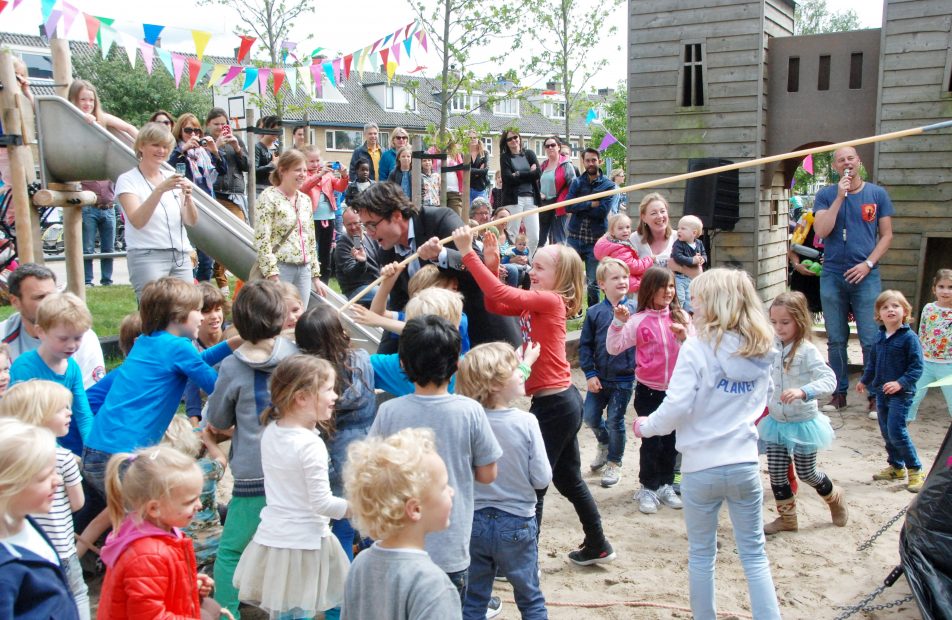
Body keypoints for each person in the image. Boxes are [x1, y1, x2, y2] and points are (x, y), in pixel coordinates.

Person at [450, 225, 617, 566]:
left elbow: (504, 296)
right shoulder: (538, 301)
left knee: (532, 484)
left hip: (555, 404)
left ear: (562, 277)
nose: (530, 271)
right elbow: (495, 303)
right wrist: (492, 264)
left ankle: (524, 558)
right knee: (568, 478)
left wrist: (469, 254)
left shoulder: (552, 300)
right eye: (533, 266)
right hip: (560, 400)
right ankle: (598, 544)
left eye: (540, 268)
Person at [633, 268, 781, 620]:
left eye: (696, 298)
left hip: (701, 465)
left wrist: (646, 426)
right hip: (744, 461)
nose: (690, 304)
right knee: (754, 553)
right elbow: (767, 399)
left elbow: (676, 405)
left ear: (715, 304)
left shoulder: (698, 347)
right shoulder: (762, 346)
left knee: (702, 554)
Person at [369, 315, 502, 605]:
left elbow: (371, 471)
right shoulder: (470, 412)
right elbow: (488, 473)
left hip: (397, 542)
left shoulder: (389, 412)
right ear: (456, 364)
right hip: (450, 544)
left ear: (402, 364)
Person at [205, 280, 298, 618]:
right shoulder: (294, 355)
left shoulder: (232, 365)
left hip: (250, 474)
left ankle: (227, 611)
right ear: (279, 317)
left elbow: (216, 417)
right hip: (291, 469)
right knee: (290, 548)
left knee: (230, 550)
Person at [233, 355, 350, 618]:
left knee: (285, 612)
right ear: (302, 397)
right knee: (302, 612)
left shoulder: (272, 431)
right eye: (329, 389)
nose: (335, 396)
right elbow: (322, 503)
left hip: (275, 540)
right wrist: (363, 507)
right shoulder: (310, 444)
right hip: (304, 544)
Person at [350, 182, 520, 353]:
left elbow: (480, 269)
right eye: (365, 226)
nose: (369, 233)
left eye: (372, 225)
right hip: (443, 348)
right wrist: (381, 364)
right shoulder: (386, 253)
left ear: (396, 216)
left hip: (486, 332)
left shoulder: (439, 219)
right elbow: (399, 308)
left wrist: (441, 255)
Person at [456, 342, 551, 620]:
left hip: (475, 522)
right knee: (530, 598)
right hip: (517, 521)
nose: (522, 373)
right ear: (495, 384)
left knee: (473, 600)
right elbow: (542, 477)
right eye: (515, 370)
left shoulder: (467, 421)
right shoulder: (526, 421)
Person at [341, 429, 461, 620]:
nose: (452, 491)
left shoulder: (361, 564)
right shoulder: (434, 585)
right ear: (415, 509)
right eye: (444, 487)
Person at [812, 146, 893, 415]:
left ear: (859, 162)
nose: (846, 163)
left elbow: (886, 236)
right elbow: (822, 230)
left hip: (866, 274)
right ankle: (839, 393)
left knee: (870, 339)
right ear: (835, 167)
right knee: (836, 339)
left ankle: (873, 394)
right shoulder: (825, 194)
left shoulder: (877, 194)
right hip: (834, 274)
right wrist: (839, 197)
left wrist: (868, 264)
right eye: (840, 160)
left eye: (850, 158)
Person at [0, 381, 88, 619]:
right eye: (43, 477)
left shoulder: (27, 524)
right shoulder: (6, 571)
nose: (57, 482)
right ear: (8, 485)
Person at [295, 305, 376, 565]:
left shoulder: (312, 375)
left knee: (341, 514)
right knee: (363, 511)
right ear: (338, 333)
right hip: (365, 443)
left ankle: (341, 581)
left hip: (333, 445)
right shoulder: (361, 359)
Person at [97, 446, 218, 618]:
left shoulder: (163, 532)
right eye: (189, 501)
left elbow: (159, 583)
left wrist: (189, 584)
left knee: (211, 608)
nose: (199, 505)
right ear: (154, 508)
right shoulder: (147, 554)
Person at [760, 292, 846, 534]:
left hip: (803, 422)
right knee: (776, 473)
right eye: (774, 322)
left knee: (807, 472)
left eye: (785, 322)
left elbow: (829, 379)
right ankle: (787, 519)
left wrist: (803, 391)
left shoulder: (807, 350)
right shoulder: (770, 347)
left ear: (799, 320)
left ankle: (834, 496)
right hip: (776, 421)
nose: (779, 328)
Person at [608, 267, 689, 514]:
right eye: (662, 287)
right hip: (648, 391)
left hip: (676, 390)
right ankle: (647, 486)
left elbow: (695, 351)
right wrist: (618, 323)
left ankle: (665, 484)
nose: (668, 292)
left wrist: (685, 336)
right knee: (651, 440)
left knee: (672, 441)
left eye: (672, 287)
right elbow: (613, 347)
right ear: (649, 290)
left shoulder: (681, 317)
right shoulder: (638, 320)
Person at [116, 122, 198, 300]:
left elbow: (191, 221)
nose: (161, 150)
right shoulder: (127, 180)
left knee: (188, 308)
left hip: (180, 254)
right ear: (141, 146)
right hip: (147, 255)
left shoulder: (173, 177)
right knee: (155, 310)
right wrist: (159, 190)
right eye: (155, 145)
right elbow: (137, 221)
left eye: (165, 146)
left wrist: (189, 198)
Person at [9, 292, 94, 457]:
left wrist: (91, 449)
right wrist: (62, 454)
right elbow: (24, 422)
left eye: (77, 338)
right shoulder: (25, 368)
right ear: (40, 332)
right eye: (63, 338)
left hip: (54, 438)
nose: (71, 345)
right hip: (24, 445)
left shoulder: (72, 367)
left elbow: (83, 413)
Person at [858, 290, 925, 493]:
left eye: (895, 306)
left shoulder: (909, 338)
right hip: (881, 393)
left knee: (897, 431)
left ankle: (915, 469)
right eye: (885, 307)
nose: (890, 310)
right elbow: (873, 363)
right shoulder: (879, 337)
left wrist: (900, 383)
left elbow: (917, 367)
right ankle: (896, 467)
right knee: (887, 432)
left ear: (905, 311)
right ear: (879, 314)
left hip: (901, 395)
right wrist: (864, 380)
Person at [0, 263, 106, 389]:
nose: (49, 303)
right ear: (15, 301)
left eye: (53, 296)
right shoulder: (3, 334)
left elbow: (92, 396)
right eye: (40, 297)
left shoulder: (82, 336)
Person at [580, 258, 636, 488]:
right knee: (590, 416)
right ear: (602, 284)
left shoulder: (635, 309)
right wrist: (590, 373)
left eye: (624, 276)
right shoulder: (594, 313)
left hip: (624, 377)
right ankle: (604, 443)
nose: (622, 281)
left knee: (616, 420)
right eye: (615, 278)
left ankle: (615, 462)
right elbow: (585, 345)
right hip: (599, 377)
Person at [68, 80, 120, 288]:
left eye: (91, 99)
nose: (87, 103)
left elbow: (125, 126)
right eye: (83, 99)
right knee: (88, 247)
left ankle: (107, 280)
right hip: (89, 203)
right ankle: (87, 281)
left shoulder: (100, 120)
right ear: (74, 100)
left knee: (109, 247)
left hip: (107, 204)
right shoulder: (74, 121)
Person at [253, 149, 321, 304]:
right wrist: (272, 274)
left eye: (304, 170)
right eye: (298, 170)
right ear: (282, 170)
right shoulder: (268, 197)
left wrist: (315, 275)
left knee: (298, 315)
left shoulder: (305, 200)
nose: (303, 174)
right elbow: (262, 239)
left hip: (304, 269)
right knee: (279, 316)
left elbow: (310, 238)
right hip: (280, 268)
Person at [161, 414, 226, 574]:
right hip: (213, 548)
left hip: (178, 552)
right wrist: (209, 440)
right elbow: (221, 459)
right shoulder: (205, 468)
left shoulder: (158, 475)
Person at [170, 112, 227, 284]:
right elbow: (168, 167)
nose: (193, 135)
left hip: (205, 204)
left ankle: (203, 295)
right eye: (188, 130)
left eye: (197, 131)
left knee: (206, 258)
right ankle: (188, 291)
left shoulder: (204, 153)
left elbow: (222, 170)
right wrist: (184, 150)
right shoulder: (176, 151)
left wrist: (215, 151)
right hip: (185, 205)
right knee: (190, 256)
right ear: (180, 131)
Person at [566, 148, 619, 310]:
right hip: (574, 236)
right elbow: (568, 206)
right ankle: (573, 310)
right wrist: (590, 203)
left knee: (593, 282)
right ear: (583, 162)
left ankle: (593, 314)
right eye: (587, 160)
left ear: (599, 161)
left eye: (593, 160)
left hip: (595, 240)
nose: (590, 163)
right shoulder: (577, 182)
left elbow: (601, 212)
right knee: (569, 277)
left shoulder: (609, 186)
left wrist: (579, 206)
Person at [206, 108, 250, 294]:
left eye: (223, 124)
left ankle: (238, 281)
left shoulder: (236, 140)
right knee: (218, 239)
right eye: (216, 124)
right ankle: (221, 281)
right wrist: (215, 146)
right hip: (216, 193)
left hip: (236, 195)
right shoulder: (205, 141)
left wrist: (237, 149)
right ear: (208, 124)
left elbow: (247, 166)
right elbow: (204, 166)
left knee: (239, 236)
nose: (220, 127)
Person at [183, 283, 229, 426]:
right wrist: (195, 423)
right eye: (206, 311)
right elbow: (192, 388)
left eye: (218, 309)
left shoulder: (232, 336)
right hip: (206, 405)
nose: (214, 316)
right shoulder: (190, 346)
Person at [302, 145, 349, 284]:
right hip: (312, 218)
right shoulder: (305, 174)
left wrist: (344, 175)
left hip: (329, 217)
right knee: (312, 251)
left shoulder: (327, 174)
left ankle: (324, 282)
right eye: (312, 161)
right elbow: (304, 187)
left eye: (317, 160)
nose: (315, 164)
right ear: (304, 161)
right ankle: (310, 279)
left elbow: (340, 187)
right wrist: (319, 174)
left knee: (325, 251)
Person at [909, 268, 952, 421]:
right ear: (934, 289)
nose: (945, 291)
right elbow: (922, 333)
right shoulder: (929, 308)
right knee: (911, 399)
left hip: (949, 366)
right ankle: (899, 436)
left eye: (950, 287)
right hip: (926, 363)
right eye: (941, 286)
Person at [499, 129, 541, 255]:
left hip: (531, 198)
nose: (513, 140)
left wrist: (518, 174)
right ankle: (513, 260)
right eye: (509, 139)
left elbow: (538, 173)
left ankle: (527, 261)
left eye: (515, 137)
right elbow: (507, 178)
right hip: (513, 199)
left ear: (520, 138)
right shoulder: (505, 158)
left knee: (534, 237)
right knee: (512, 234)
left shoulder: (529, 154)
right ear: (505, 142)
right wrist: (529, 173)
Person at [593, 213, 654, 296]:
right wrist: (649, 260)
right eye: (620, 228)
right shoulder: (620, 249)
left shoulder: (609, 243)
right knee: (647, 282)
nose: (625, 230)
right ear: (612, 232)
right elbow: (633, 266)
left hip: (612, 281)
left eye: (627, 227)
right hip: (624, 282)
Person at [334, 207, 380, 305]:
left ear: (362, 221)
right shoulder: (343, 244)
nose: (353, 227)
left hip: (376, 283)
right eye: (349, 224)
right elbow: (352, 275)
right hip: (356, 288)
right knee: (385, 296)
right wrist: (361, 262)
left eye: (356, 223)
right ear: (343, 225)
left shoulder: (367, 237)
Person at [539, 136, 576, 247]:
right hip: (544, 206)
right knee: (540, 238)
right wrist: (538, 193)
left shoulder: (566, 165)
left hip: (559, 206)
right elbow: (536, 184)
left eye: (553, 145)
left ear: (558, 147)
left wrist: (569, 204)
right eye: (547, 146)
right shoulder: (543, 165)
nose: (550, 147)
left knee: (559, 239)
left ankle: (562, 263)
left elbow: (573, 185)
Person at [670, 215, 707, 313]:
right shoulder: (678, 244)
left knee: (690, 299)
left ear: (694, 233)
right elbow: (677, 257)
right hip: (679, 277)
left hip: (692, 279)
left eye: (683, 228)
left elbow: (704, 254)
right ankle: (678, 314)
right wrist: (692, 260)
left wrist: (703, 259)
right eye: (678, 228)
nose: (679, 231)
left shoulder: (699, 243)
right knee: (680, 298)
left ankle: (688, 317)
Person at [631, 192, 677, 269]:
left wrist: (677, 267)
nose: (659, 216)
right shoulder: (634, 239)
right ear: (644, 217)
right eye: (653, 213)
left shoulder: (678, 237)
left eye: (662, 211)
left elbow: (697, 273)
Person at [254, 115, 281, 194]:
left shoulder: (277, 147)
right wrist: (272, 165)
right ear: (265, 128)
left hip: (275, 189)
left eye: (278, 131)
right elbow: (253, 171)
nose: (276, 134)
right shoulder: (257, 147)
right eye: (274, 130)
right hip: (260, 190)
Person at [467, 132, 489, 202]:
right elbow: (463, 169)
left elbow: (485, 170)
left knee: (482, 211)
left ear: (478, 138)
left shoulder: (484, 153)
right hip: (467, 188)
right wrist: (478, 171)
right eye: (470, 138)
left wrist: (470, 170)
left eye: (474, 137)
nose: (472, 139)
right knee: (468, 212)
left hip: (480, 188)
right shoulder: (464, 153)